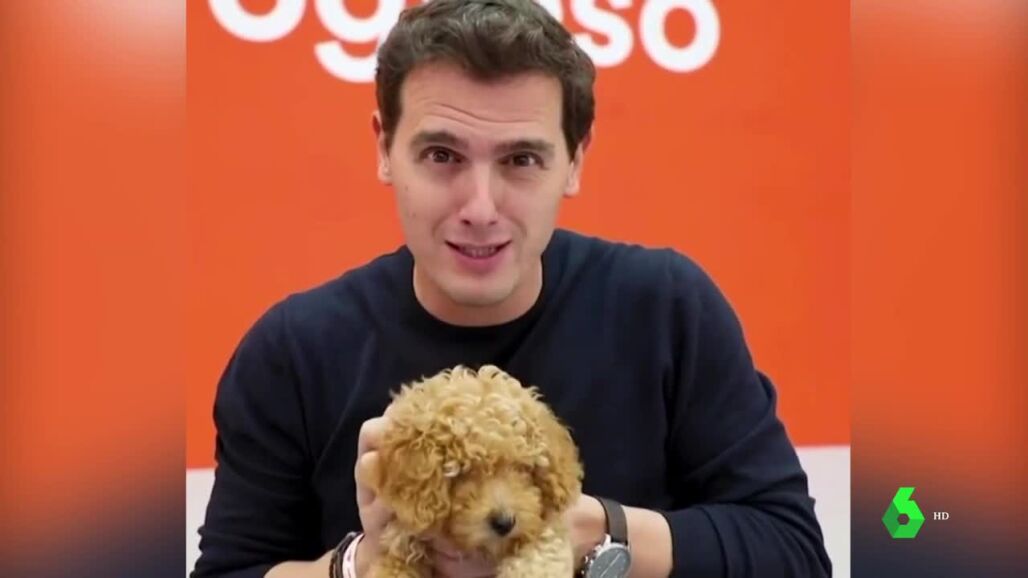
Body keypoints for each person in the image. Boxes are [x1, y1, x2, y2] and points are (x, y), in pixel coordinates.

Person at [191, 1, 832, 577]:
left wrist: (594, 534)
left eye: (520, 160)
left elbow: (793, 551)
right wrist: (361, 565)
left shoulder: (666, 309)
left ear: (575, 160)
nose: (480, 207)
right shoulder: (293, 352)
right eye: (442, 156)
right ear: (384, 148)